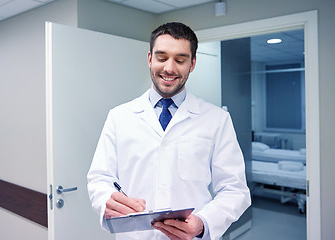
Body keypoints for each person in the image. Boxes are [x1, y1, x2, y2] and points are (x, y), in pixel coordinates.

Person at [87, 22, 251, 240]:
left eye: (180, 60)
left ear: (192, 64)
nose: (169, 68)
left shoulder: (217, 120)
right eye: (162, 58)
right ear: (150, 59)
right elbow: (100, 178)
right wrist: (106, 199)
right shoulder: (119, 116)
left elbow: (235, 190)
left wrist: (203, 223)